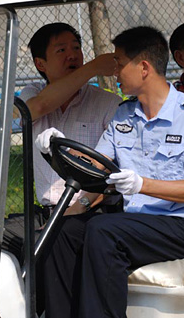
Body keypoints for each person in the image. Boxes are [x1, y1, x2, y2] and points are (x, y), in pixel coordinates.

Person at [38, 26, 184, 318]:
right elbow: (98, 165)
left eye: (120, 63)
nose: (114, 71)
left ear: (144, 67)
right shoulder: (124, 114)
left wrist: (143, 185)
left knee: (104, 230)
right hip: (136, 225)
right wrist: (56, 149)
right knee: (62, 230)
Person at [20, 23, 121, 216]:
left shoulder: (109, 103)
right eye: (61, 50)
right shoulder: (32, 94)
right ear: (40, 64)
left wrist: (78, 208)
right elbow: (37, 108)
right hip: (47, 212)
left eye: (76, 48)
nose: (72, 55)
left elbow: (116, 171)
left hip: (91, 212)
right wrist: (94, 67)